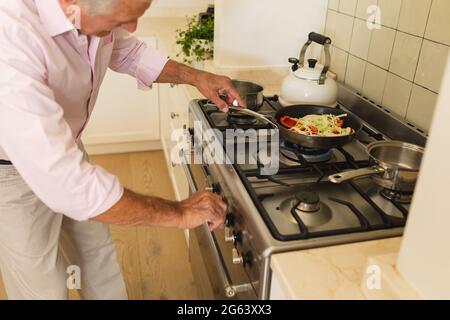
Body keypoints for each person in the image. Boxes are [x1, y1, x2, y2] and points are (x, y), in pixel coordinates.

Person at [0, 0, 244, 300]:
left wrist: (195, 77)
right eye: (122, 20)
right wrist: (179, 212)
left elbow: (126, 50)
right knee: (43, 288)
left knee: (97, 255)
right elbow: (68, 184)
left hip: (65, 145)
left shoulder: (88, 15)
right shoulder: (10, 37)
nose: (132, 28)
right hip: (9, 170)